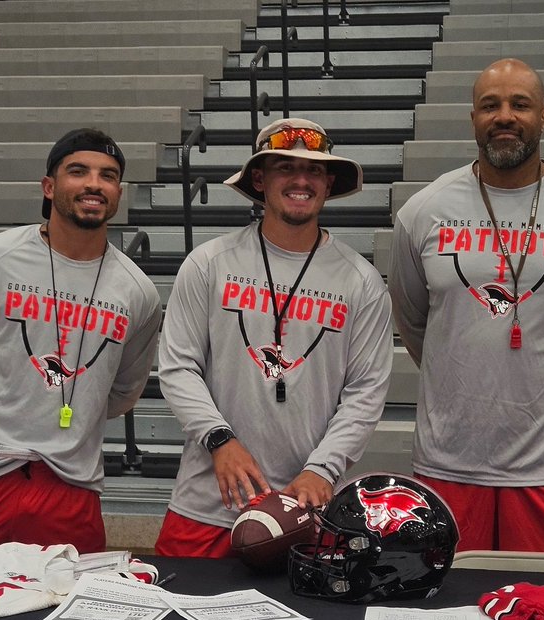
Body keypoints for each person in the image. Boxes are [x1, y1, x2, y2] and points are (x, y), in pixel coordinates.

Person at [388, 58, 544, 570]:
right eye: (490, 105)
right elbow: (414, 323)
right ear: (472, 118)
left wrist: (543, 384)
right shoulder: (423, 211)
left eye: (519, 104)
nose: (505, 116)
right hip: (450, 460)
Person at [0, 128, 161, 562]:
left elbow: (123, 391)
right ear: (49, 187)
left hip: (71, 486)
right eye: (78, 171)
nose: (93, 184)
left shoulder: (138, 291)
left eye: (108, 176)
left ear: (118, 192)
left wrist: (64, 409)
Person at [155, 118, 393, 557]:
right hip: (207, 505)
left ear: (328, 182)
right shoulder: (208, 264)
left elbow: (366, 390)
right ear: (260, 179)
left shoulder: (361, 282)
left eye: (315, 170)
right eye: (285, 167)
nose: (301, 180)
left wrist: (323, 469)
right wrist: (218, 439)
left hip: (305, 506)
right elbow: (177, 367)